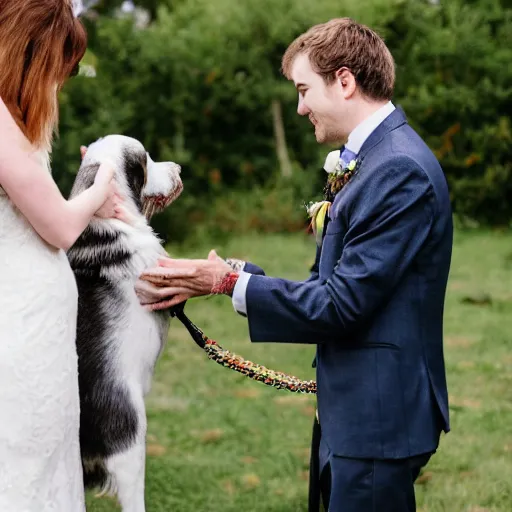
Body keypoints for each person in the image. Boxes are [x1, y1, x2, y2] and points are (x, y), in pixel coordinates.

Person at [138, 18, 453, 512]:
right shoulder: (372, 159)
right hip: (354, 407)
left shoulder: (398, 169)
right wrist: (228, 277)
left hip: (378, 417)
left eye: (305, 90)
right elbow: (326, 287)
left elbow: (340, 305)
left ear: (344, 82)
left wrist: (227, 283)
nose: (301, 106)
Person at [0, 1, 124, 510]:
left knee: (46, 451)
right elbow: (59, 226)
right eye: (57, 67)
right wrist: (103, 181)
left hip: (35, 318)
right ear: (32, 52)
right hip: (20, 320)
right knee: (24, 455)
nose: (58, 83)